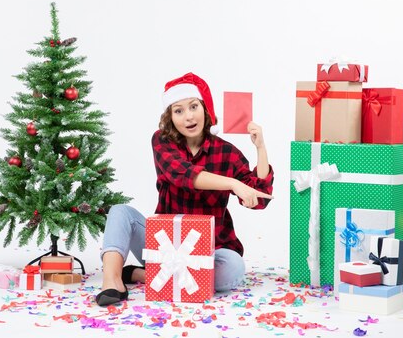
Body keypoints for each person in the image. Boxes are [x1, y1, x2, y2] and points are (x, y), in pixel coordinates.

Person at [95, 72, 274, 307]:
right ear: (170, 117)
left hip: (210, 249)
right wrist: (233, 183)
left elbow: (259, 198)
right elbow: (183, 175)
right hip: (164, 244)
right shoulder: (161, 141)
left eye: (193, 107)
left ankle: (147, 275)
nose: (188, 117)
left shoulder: (226, 151)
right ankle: (112, 281)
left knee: (233, 268)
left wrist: (260, 148)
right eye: (178, 111)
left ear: (205, 110)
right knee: (120, 212)